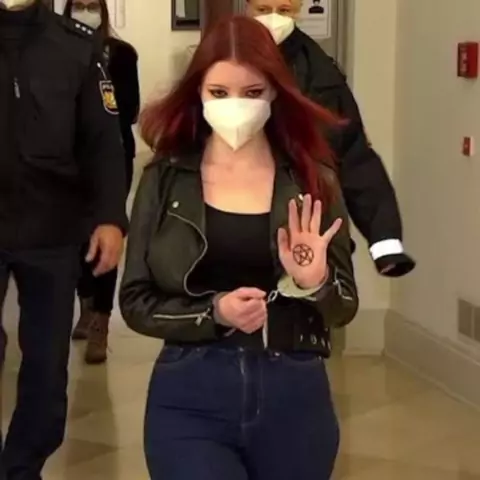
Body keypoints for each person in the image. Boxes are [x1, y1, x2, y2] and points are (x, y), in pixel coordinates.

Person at [120, 14, 358, 480]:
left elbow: (344, 306)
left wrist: (315, 282)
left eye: (252, 92)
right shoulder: (165, 179)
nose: (236, 106)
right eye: (219, 92)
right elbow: (135, 301)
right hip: (190, 394)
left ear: (275, 94)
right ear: (198, 92)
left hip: (295, 395)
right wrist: (214, 313)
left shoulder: (313, 179)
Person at [0, 0, 127, 477]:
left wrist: (110, 217)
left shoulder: (76, 46)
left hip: (51, 227)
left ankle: (21, 468)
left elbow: (104, 142)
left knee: (47, 366)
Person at [247, 0, 415, 277]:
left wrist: (385, 242)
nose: (273, 19)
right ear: (247, 7)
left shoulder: (320, 72)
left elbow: (354, 156)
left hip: (308, 231)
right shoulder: (225, 57)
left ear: (298, 10)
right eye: (263, 10)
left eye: (284, 10)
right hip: (234, 228)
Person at [63, 0, 140, 364]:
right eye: (78, 5)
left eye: (91, 5)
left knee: (107, 232)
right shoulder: (58, 50)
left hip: (113, 155)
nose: (86, 11)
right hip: (68, 159)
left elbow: (131, 109)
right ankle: (86, 303)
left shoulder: (122, 54)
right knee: (78, 236)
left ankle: (101, 321)